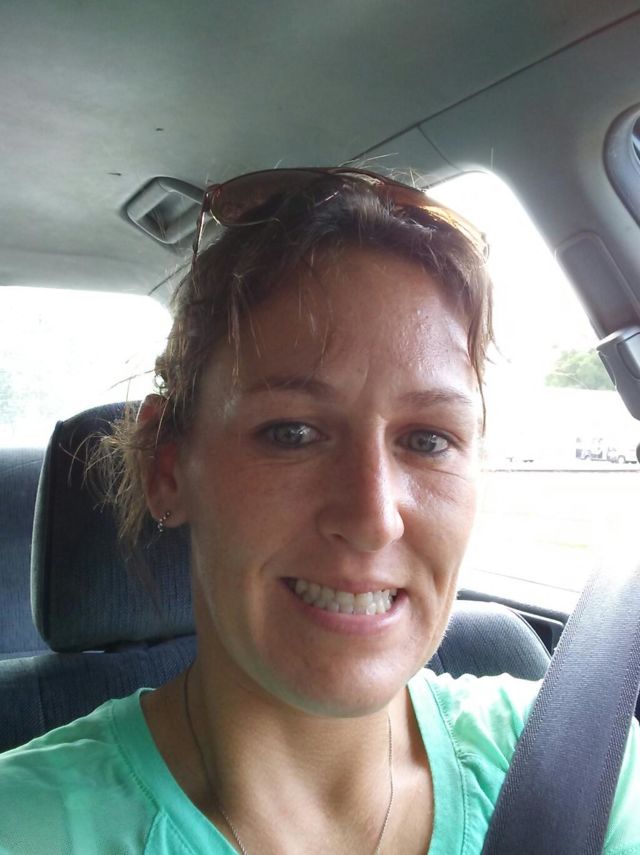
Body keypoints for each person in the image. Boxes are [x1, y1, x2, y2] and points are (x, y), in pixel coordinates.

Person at [0, 167, 638, 854]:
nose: (374, 517)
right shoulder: (25, 826)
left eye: (428, 440)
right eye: (292, 433)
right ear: (168, 468)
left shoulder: (587, 766)